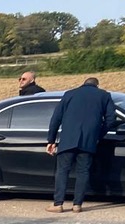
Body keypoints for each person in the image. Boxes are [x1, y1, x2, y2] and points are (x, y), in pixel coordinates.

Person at [46, 77, 116, 213]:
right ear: (97, 85)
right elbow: (111, 119)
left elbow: (56, 118)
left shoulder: (69, 94)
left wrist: (51, 140)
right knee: (83, 172)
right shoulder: (104, 96)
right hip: (89, 141)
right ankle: (77, 204)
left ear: (83, 84)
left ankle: (58, 204)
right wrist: (98, 134)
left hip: (68, 140)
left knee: (62, 171)